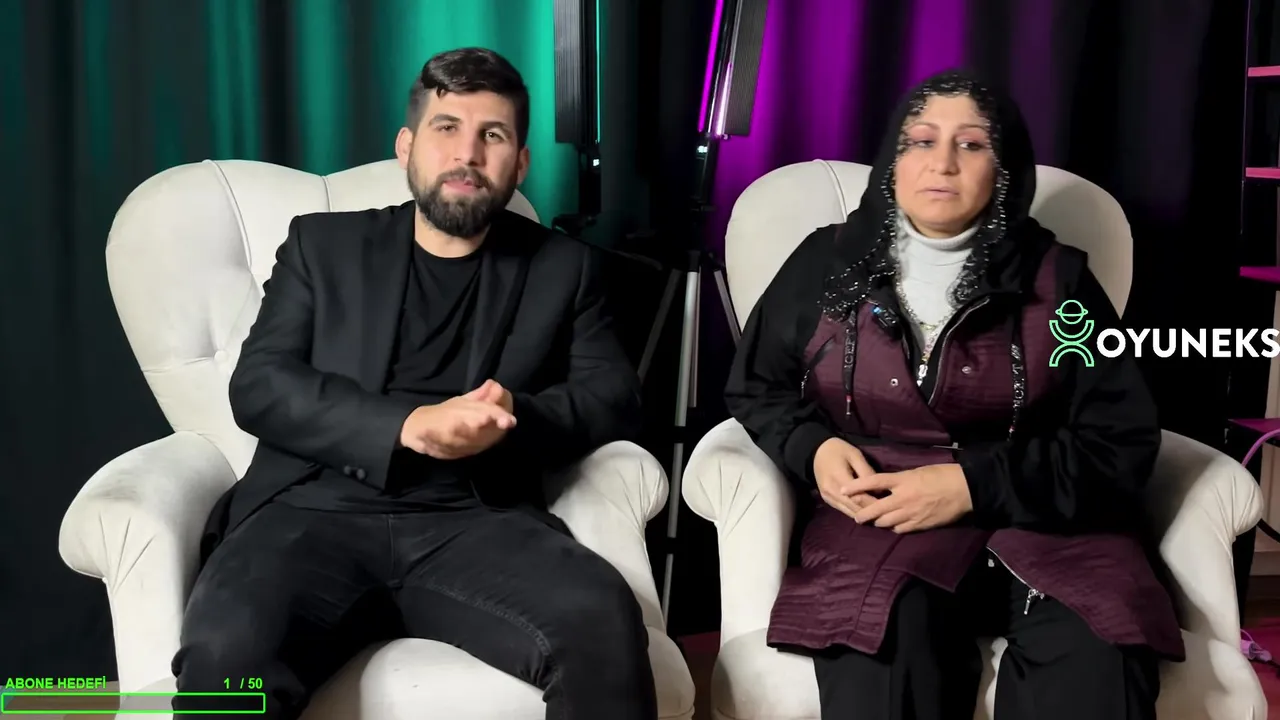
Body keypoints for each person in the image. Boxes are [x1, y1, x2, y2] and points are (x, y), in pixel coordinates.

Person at [172, 47, 656, 720]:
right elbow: (260, 383)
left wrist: (514, 415)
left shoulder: (564, 268)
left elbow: (614, 398)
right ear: (407, 146)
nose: (467, 153)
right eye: (446, 128)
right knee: (226, 658)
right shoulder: (323, 247)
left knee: (602, 623)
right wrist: (405, 427)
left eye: (493, 135)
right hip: (312, 510)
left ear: (520, 163)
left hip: (476, 517)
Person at [725, 70, 1183, 720]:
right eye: (921, 141)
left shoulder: (1062, 282)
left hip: (1050, 525)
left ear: (1004, 168)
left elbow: (1118, 441)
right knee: (885, 656)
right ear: (893, 159)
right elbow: (757, 386)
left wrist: (972, 485)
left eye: (971, 144)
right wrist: (813, 446)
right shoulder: (825, 264)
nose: (942, 162)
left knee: (1097, 660)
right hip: (882, 519)